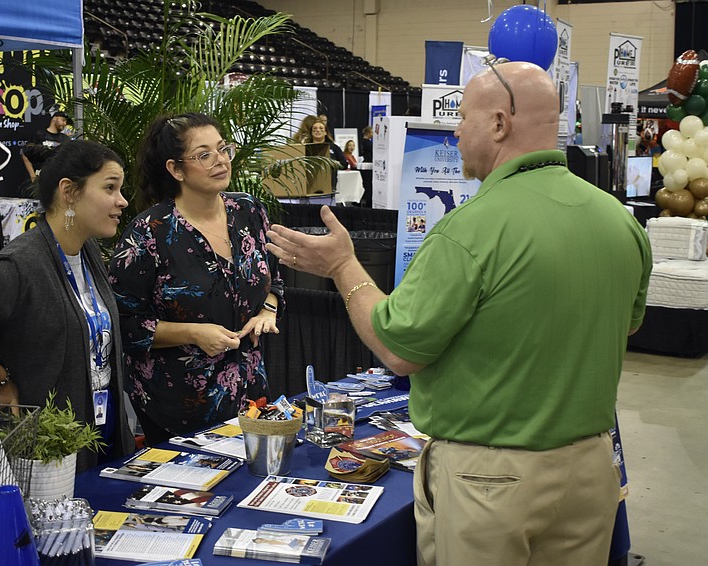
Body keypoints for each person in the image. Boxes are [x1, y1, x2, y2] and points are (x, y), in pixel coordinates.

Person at [265, 61, 652, 565]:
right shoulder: (619, 222)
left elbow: (397, 349)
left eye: (462, 119)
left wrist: (342, 266)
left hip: (492, 484)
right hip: (591, 472)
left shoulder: (469, 230)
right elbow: (626, 324)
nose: (455, 132)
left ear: (498, 124)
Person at [0, 140, 135, 471]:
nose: (122, 201)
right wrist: (2, 380)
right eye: (110, 188)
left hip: (101, 437)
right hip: (51, 453)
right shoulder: (19, 264)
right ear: (69, 191)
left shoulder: (87, 251)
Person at [109, 112, 283, 446]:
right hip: (178, 406)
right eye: (204, 155)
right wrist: (193, 333)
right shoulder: (149, 234)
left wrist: (268, 310)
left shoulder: (249, 211)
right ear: (175, 169)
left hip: (251, 394)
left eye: (222, 149)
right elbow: (123, 324)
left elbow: (275, 274)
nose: (220, 161)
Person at [21, 110, 71, 184]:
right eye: (63, 120)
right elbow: (25, 154)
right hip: (40, 178)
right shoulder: (39, 135)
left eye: (65, 121)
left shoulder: (66, 139)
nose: (64, 123)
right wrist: (32, 176)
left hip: (58, 180)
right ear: (54, 119)